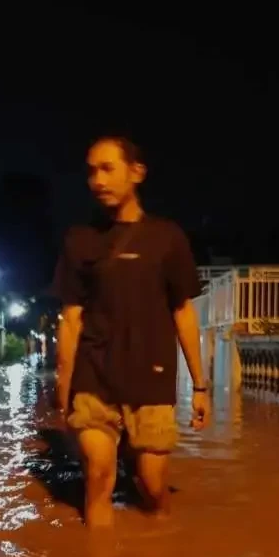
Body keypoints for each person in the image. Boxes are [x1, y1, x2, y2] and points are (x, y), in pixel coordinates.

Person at [53, 135, 210, 528]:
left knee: (151, 482)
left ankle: (158, 554)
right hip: (95, 377)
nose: (97, 180)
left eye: (108, 169)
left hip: (151, 379)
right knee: (99, 476)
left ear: (136, 172)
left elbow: (183, 312)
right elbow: (71, 318)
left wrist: (200, 385)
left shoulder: (167, 238)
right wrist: (64, 385)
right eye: (91, 171)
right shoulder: (80, 240)